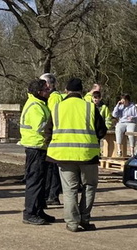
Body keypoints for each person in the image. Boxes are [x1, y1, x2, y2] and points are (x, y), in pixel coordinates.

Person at [46, 77, 107, 232]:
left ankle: (72, 223)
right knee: (89, 187)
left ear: (66, 91)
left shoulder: (57, 108)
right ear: (82, 91)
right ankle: (85, 219)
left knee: (69, 190)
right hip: (88, 155)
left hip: (63, 155)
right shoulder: (90, 107)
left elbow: (48, 132)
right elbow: (102, 131)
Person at [20, 78, 56, 225]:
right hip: (35, 148)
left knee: (41, 181)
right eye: (46, 90)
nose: (49, 91)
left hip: (40, 147)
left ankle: (38, 210)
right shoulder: (35, 106)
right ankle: (29, 213)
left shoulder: (40, 104)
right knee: (34, 181)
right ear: (39, 92)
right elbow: (41, 127)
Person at [40, 73, 62, 205]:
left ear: (49, 84)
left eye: (43, 83)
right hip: (53, 137)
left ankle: (52, 196)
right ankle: (51, 195)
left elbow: (53, 119)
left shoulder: (54, 98)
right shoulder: (53, 97)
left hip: (54, 137)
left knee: (52, 168)